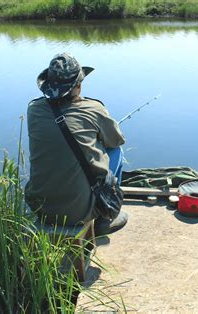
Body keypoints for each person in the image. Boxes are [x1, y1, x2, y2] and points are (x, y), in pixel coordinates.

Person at [25, 53, 128, 235]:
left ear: (48, 86)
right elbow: (116, 140)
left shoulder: (33, 109)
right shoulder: (93, 108)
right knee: (116, 151)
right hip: (79, 212)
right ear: (78, 85)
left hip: (39, 206)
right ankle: (106, 216)